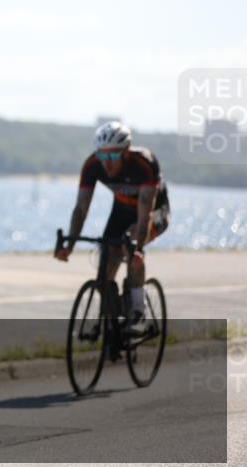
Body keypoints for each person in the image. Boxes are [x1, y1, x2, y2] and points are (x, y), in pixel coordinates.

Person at [55, 121, 170, 334]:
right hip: (122, 209)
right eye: (102, 155)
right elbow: (81, 208)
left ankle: (138, 312)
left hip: (153, 211)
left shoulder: (143, 164)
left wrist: (138, 249)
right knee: (106, 262)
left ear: (125, 153)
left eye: (113, 156)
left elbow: (144, 215)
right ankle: (113, 322)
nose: (107, 163)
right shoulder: (92, 165)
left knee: (131, 243)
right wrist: (69, 244)